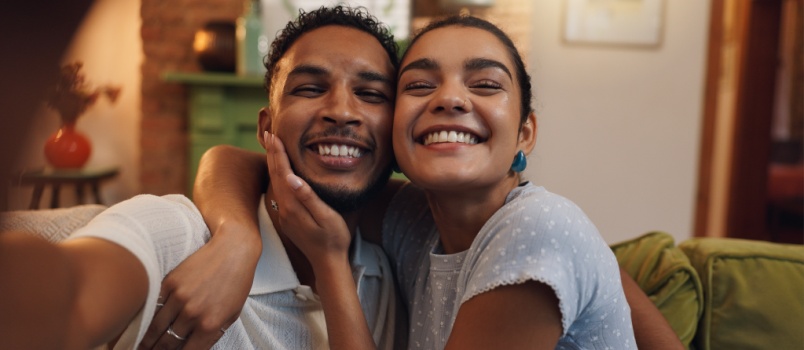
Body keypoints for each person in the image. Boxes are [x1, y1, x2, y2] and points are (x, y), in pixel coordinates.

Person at [186, 13, 684, 350]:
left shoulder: (539, 227)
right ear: (392, 130)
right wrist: (236, 237)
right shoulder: (416, 221)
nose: (449, 99)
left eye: (485, 84)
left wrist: (331, 262)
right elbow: (243, 163)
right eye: (420, 85)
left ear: (525, 133)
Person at [0, 6, 403, 349]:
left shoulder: (391, 274)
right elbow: (67, 299)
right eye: (310, 88)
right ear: (266, 127)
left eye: (370, 94)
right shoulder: (180, 239)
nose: (341, 111)